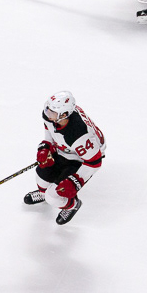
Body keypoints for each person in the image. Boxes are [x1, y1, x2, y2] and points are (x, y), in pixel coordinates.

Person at [23, 91, 106, 225]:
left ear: (64, 115)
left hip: (81, 159)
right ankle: (43, 195)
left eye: (52, 113)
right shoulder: (53, 117)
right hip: (65, 150)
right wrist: (46, 147)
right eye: (48, 109)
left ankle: (73, 205)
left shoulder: (79, 135)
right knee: (41, 178)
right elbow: (50, 133)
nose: (47, 114)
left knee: (54, 196)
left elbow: (95, 162)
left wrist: (75, 181)